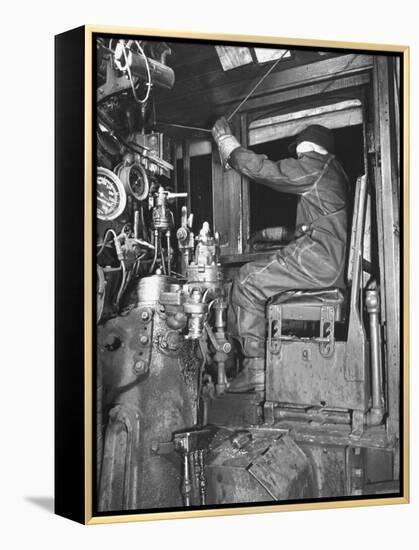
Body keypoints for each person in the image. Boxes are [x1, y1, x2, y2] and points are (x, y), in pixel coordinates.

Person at [212, 118, 350, 392]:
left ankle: (257, 368)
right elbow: (303, 227)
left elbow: (267, 170)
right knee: (257, 277)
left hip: (320, 259)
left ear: (311, 148)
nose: (298, 155)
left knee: (247, 280)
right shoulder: (333, 174)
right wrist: (265, 235)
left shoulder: (317, 167)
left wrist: (228, 145)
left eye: (301, 150)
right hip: (327, 259)